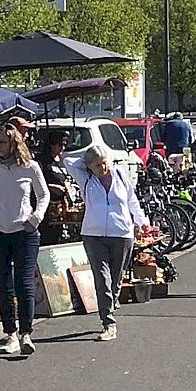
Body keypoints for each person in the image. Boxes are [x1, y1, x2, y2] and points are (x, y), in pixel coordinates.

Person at [0, 126, 50, 359]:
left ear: (14, 144)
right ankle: (10, 334)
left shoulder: (29, 167)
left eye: (4, 143)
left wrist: (35, 218)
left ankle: (26, 334)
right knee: (2, 284)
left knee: (24, 282)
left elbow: (43, 194)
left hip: (24, 231)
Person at [78, 145, 142, 342]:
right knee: (102, 278)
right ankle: (108, 322)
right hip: (93, 234)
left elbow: (132, 200)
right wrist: (86, 162)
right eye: (97, 165)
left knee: (116, 277)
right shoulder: (86, 179)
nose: (102, 168)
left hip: (121, 233)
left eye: (104, 162)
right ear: (89, 167)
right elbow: (68, 161)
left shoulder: (121, 176)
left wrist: (140, 221)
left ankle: (111, 302)